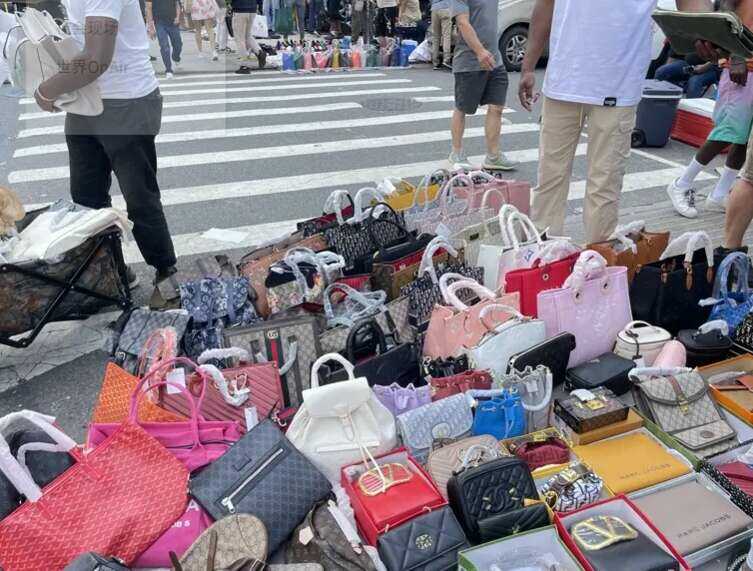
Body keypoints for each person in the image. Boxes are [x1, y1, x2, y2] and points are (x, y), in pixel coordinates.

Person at [520, 0, 703, 243]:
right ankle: (540, 260)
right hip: (565, 79)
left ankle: (596, 264)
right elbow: (545, 5)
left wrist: (712, 34)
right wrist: (528, 66)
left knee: (604, 187)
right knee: (549, 180)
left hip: (618, 84)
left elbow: (693, 4)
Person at [33, 0, 177, 284]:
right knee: (86, 198)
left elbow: (96, 58)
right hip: (85, 103)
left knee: (139, 197)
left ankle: (166, 272)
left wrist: (45, 91)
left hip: (127, 101)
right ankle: (112, 274)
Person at [667, 56, 753, 217]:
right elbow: (725, 33)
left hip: (745, 71)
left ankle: (718, 195)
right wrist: (735, 56)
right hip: (741, 72)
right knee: (725, 134)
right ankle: (681, 184)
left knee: (744, 139)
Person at [449, 0, 516, 171]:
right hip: (469, 61)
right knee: (462, 107)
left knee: (497, 107)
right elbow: (462, 23)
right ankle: (456, 153)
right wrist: (479, 51)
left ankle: (493, 156)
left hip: (495, 59)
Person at [146, 0, 183, 78]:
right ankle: (168, 69)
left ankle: (176, 57)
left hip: (173, 21)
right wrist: (151, 27)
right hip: (159, 22)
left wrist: (177, 17)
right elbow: (148, 8)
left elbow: (177, 4)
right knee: (164, 46)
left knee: (178, 44)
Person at [232, 0, 267, 73]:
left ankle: (245, 65)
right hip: (252, 9)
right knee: (247, 35)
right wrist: (259, 6)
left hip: (240, 9)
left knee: (239, 38)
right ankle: (259, 52)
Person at [430, 0, 452, 70]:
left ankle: (435, 62)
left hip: (434, 9)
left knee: (435, 37)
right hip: (446, 8)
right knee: (446, 36)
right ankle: (446, 60)